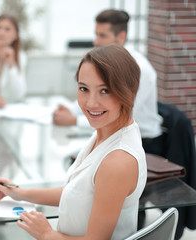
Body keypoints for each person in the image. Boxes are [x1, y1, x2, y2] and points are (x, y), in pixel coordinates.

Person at [0, 45, 147, 239]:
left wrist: (46, 234)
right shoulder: (105, 132)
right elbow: (79, 194)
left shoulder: (117, 162)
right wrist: (20, 193)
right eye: (83, 89)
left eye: (105, 90)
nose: (90, 103)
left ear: (128, 90)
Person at [53, 9, 163, 156]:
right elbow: (95, 95)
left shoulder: (139, 69)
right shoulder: (105, 63)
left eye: (102, 35)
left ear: (121, 37)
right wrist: (69, 110)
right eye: (96, 34)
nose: (96, 41)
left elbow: (123, 116)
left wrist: (74, 120)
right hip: (112, 137)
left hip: (143, 144)